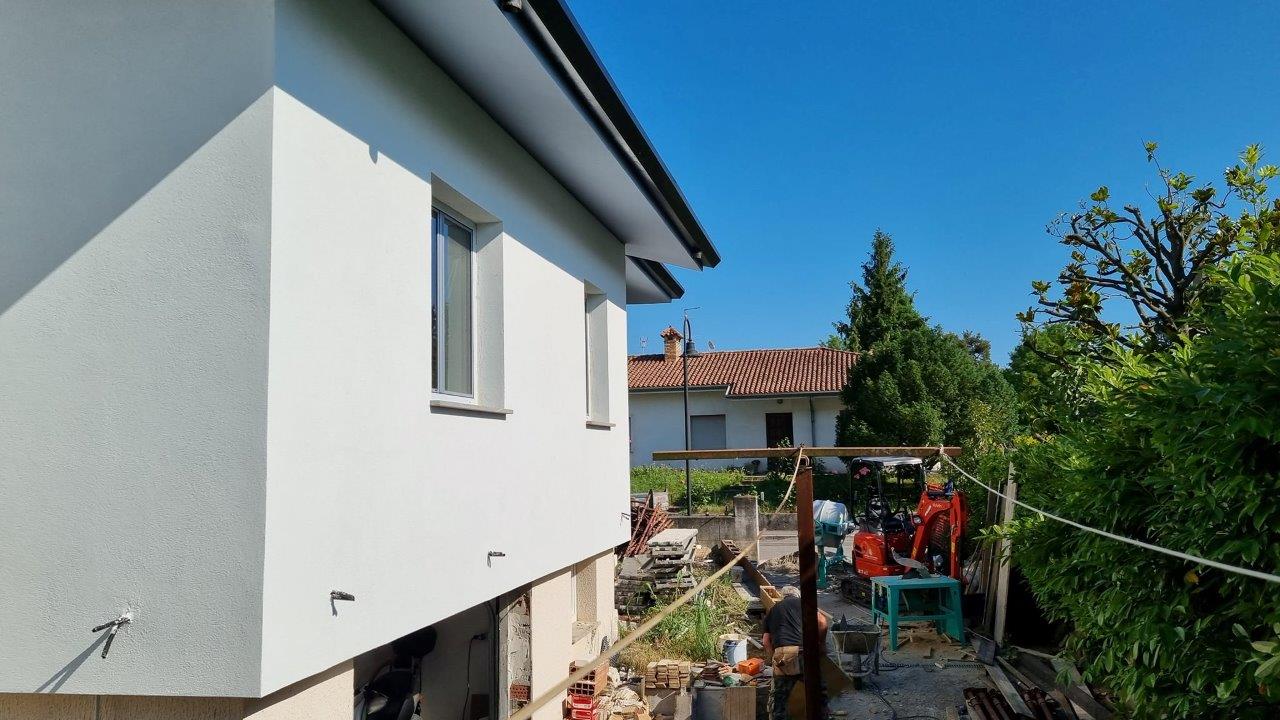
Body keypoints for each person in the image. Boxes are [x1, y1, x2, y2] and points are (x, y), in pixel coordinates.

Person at [762, 586, 828, 719]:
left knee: (780, 697)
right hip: (805, 652)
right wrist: (820, 644)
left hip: (782, 655)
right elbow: (822, 622)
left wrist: (773, 658)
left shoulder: (773, 610)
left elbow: (765, 641)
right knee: (817, 692)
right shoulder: (804, 604)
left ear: (783, 597)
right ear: (797, 595)